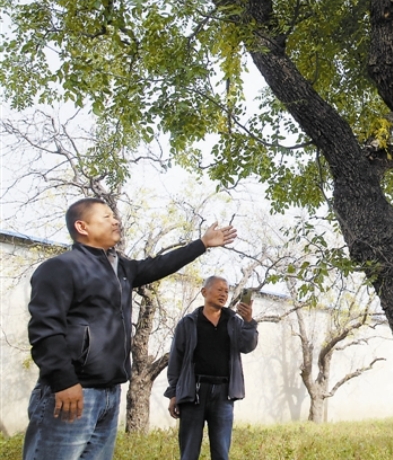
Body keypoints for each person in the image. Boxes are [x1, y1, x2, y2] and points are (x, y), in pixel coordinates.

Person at [23, 197, 237, 460]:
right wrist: (63, 380)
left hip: (110, 394)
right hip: (73, 392)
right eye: (106, 217)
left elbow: (159, 265)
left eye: (114, 216)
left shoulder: (120, 269)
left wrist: (202, 244)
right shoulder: (59, 268)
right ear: (82, 226)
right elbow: (45, 330)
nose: (115, 221)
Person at [165, 276, 258, 460]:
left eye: (226, 291)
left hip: (223, 394)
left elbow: (247, 346)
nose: (224, 294)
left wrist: (249, 322)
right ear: (204, 292)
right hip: (193, 393)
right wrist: (174, 393)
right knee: (189, 453)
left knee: (221, 453)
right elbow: (176, 359)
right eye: (219, 289)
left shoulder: (234, 321)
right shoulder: (188, 323)